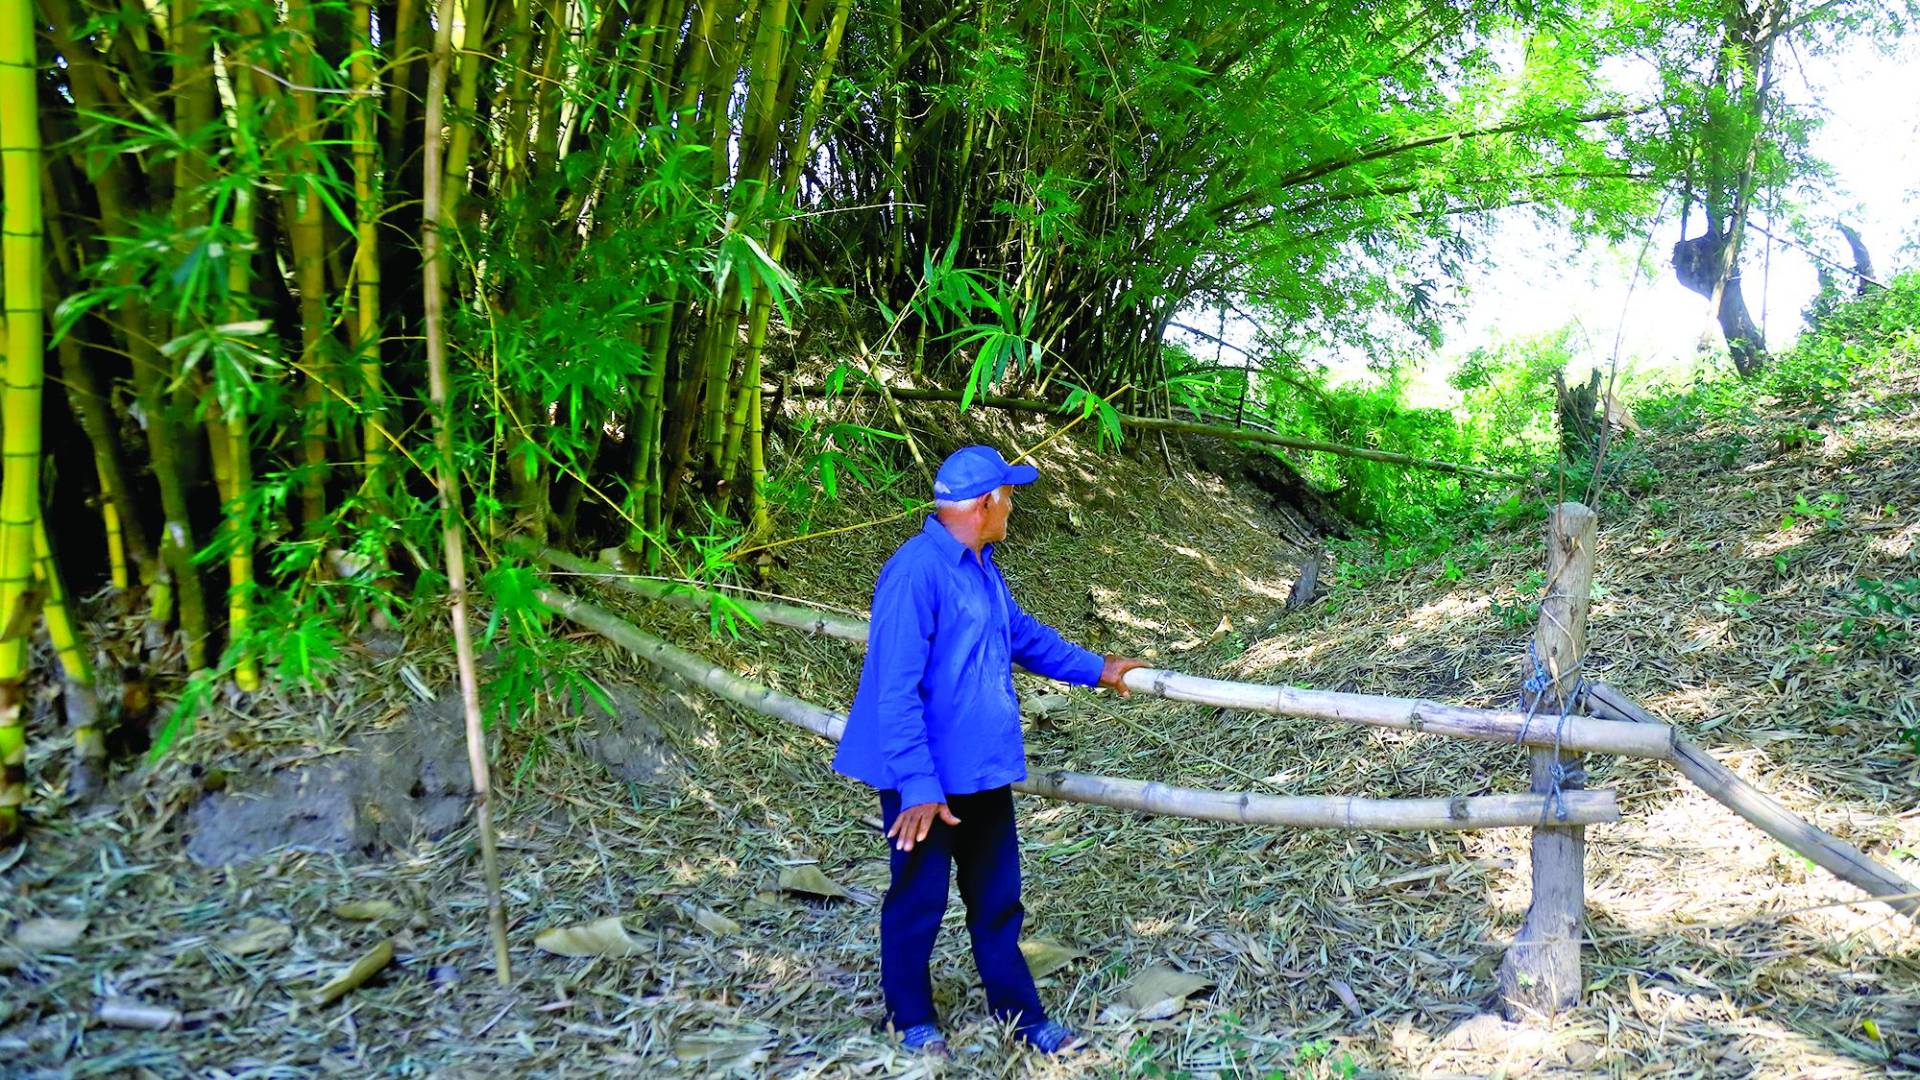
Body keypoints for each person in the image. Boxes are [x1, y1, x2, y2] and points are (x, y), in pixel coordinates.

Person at [833, 445, 1149, 1059]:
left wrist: (1097, 668)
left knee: (998, 897)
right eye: (1009, 497)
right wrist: (918, 785)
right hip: (923, 776)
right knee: (919, 898)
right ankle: (912, 1017)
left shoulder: (981, 565)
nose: (1013, 508)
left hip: (978, 766)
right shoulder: (915, 571)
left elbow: (1021, 635)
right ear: (985, 504)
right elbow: (893, 690)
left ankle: (1021, 1015)